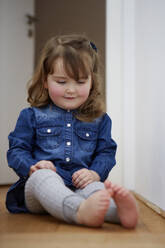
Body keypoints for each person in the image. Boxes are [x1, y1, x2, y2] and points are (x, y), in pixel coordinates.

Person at [6, 34, 138, 228]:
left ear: (92, 81)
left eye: (80, 82)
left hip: (80, 187)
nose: (71, 90)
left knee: (97, 188)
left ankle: (119, 213)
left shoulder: (100, 119)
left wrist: (94, 173)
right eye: (61, 82)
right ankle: (79, 211)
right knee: (44, 177)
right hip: (39, 191)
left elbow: (106, 153)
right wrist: (32, 166)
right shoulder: (31, 116)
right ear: (45, 80)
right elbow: (17, 151)